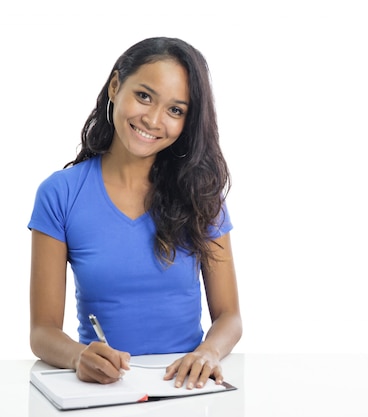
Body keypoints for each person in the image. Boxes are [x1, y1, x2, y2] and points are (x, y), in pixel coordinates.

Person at [27, 37, 242, 390]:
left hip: (187, 387)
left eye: (176, 110)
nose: (154, 120)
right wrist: (77, 356)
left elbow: (229, 316)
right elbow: (42, 331)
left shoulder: (201, 194)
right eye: (144, 96)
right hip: (103, 390)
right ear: (115, 86)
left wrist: (208, 353)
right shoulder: (60, 193)